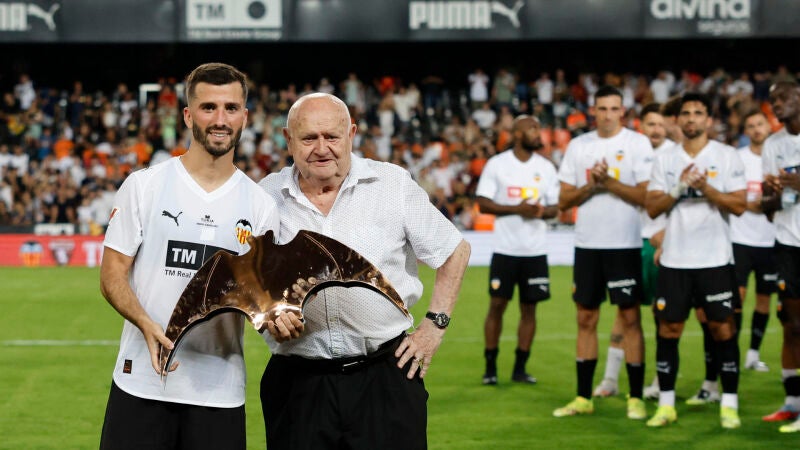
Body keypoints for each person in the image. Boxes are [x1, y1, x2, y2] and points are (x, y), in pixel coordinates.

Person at [257, 93, 471, 449]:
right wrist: (268, 313)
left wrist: (434, 327)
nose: (321, 148)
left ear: (351, 134)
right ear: (288, 139)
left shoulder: (392, 185)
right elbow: (245, 278)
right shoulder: (264, 197)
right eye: (309, 138)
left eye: (332, 136)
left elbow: (454, 251)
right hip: (298, 384)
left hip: (385, 376)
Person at [98, 63, 280, 450]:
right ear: (187, 115)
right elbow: (112, 274)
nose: (220, 119)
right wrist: (145, 323)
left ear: (245, 117)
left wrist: (277, 318)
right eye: (208, 107)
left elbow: (262, 298)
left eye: (231, 108)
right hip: (141, 382)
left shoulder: (261, 206)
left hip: (219, 391)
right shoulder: (144, 186)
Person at [644, 92, 746, 429]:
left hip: (715, 259)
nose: (691, 118)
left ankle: (729, 404)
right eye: (685, 113)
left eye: (698, 113)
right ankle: (666, 405)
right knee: (668, 329)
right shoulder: (665, 159)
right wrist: (678, 188)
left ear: (708, 120)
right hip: (675, 260)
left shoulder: (727, 156)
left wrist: (705, 188)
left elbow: (740, 205)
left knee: (722, 328)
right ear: (678, 120)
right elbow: (652, 207)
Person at [553, 86, 652, 420]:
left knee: (630, 318)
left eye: (614, 109)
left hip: (625, 244)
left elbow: (645, 197)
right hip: (588, 245)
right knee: (586, 318)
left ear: (622, 112)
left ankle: (635, 397)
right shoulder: (579, 146)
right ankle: (583, 397)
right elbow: (564, 201)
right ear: (593, 111)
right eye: (602, 108)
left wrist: (608, 182)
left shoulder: (637, 144)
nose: (608, 115)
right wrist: (592, 185)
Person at [593, 102, 675, 399]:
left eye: (661, 124)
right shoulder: (629, 152)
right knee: (624, 311)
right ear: (640, 125)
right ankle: (610, 380)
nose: (656, 130)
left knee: (662, 314)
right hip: (629, 241)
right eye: (650, 124)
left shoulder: (674, 156)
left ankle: (660, 380)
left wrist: (669, 236)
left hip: (659, 243)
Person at [476, 115, 560, 386]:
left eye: (539, 128)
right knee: (497, 306)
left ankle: (520, 368)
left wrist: (540, 211)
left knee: (529, 309)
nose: (538, 133)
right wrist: (518, 209)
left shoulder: (546, 168)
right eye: (532, 129)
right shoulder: (498, 164)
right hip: (505, 250)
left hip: (535, 251)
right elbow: (483, 203)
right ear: (517, 134)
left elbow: (555, 208)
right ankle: (490, 367)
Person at [761, 80, 800, 433]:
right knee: (791, 324)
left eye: (783, 97)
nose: (776, 104)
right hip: (787, 243)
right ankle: (792, 403)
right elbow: (768, 208)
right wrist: (771, 193)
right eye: (773, 100)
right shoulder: (773, 145)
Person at [730, 109, 776, 372]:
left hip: (770, 240)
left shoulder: (779, 158)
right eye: (751, 126)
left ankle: (753, 354)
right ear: (746, 131)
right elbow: (729, 194)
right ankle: (733, 355)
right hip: (740, 238)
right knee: (737, 298)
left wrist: (769, 203)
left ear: (768, 126)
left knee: (764, 300)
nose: (757, 129)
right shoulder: (738, 158)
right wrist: (752, 204)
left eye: (760, 124)